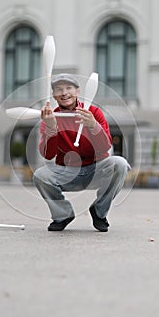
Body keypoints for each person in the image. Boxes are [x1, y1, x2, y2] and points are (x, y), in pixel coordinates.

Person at [33, 73, 129, 232]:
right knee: (40, 175)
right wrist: (51, 127)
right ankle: (63, 214)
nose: (64, 93)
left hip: (96, 169)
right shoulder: (50, 117)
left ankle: (99, 212)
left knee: (120, 164)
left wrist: (93, 125)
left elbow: (105, 147)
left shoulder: (94, 112)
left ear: (77, 91)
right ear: (54, 95)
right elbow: (48, 155)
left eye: (68, 88)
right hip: (68, 172)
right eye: (59, 89)